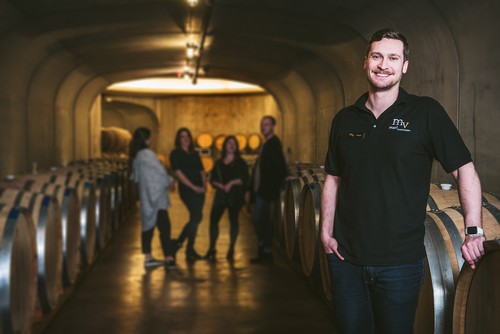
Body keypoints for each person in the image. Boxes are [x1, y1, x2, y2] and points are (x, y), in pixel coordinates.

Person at [320, 28, 485, 334]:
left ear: (404, 65)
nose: (384, 64)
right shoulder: (345, 118)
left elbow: (465, 170)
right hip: (346, 259)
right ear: (366, 61)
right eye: (377, 56)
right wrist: (326, 234)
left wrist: (473, 230)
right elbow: (333, 177)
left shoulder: (426, 113)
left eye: (393, 57)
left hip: (400, 263)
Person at [129, 127, 177, 269]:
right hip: (156, 197)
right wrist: (170, 181)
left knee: (148, 227)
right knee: (165, 227)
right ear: (146, 140)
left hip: (146, 196)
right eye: (149, 138)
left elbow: (136, 177)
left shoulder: (137, 155)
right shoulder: (147, 154)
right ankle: (168, 257)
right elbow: (160, 172)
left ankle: (148, 257)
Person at [248, 115, 289, 264]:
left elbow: (279, 162)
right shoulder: (266, 143)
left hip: (266, 190)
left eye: (266, 125)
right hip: (260, 189)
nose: (263, 127)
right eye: (262, 124)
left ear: (272, 126)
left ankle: (266, 251)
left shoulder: (274, 143)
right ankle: (264, 251)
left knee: (260, 219)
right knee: (261, 220)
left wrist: (285, 176)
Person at [205, 135, 250, 262]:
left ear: (236, 147)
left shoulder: (240, 162)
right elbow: (212, 179)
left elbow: (245, 178)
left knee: (233, 221)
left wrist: (231, 183)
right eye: (229, 143)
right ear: (225, 146)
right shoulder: (219, 163)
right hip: (220, 195)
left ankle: (231, 249)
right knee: (213, 221)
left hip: (234, 196)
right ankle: (212, 248)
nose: (231, 145)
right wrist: (220, 185)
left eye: (234, 143)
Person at [170, 127, 207, 262]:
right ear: (178, 139)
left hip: (200, 190)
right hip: (187, 190)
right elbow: (178, 173)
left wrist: (204, 186)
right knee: (197, 216)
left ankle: (190, 250)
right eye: (182, 136)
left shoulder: (195, 154)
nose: (185, 139)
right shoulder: (175, 154)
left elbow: (202, 171)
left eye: (187, 136)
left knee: (195, 218)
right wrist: (193, 187)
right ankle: (178, 244)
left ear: (190, 139)